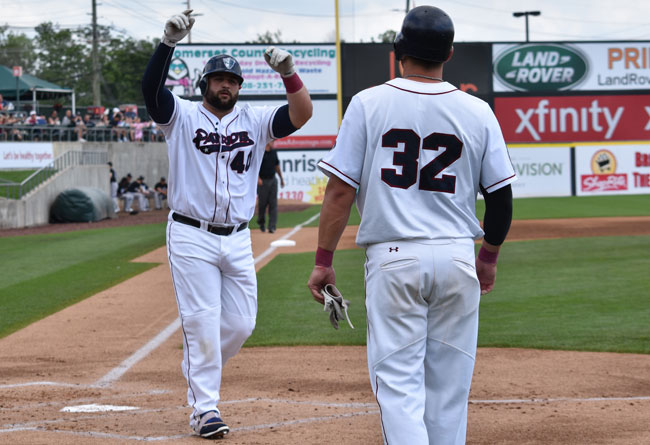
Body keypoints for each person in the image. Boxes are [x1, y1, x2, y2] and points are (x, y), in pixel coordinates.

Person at [307, 6, 516, 445]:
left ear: (397, 50)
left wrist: (323, 261)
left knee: (400, 389)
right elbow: (500, 197)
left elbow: (340, 194)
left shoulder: (368, 103)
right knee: (448, 392)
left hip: (394, 258)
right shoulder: (477, 111)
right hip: (459, 256)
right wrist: (489, 258)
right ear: (450, 53)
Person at [141, 9, 312, 439]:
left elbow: (303, 113)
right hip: (190, 234)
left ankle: (197, 363)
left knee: (240, 325)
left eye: (233, 80)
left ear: (239, 87)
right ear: (205, 84)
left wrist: (289, 72)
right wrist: (167, 43)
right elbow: (149, 92)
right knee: (201, 320)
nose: (226, 85)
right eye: (219, 79)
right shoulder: (180, 116)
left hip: (237, 238)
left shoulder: (254, 121)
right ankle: (205, 410)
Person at [256, 140, 284, 233]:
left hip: (273, 180)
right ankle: (261, 223)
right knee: (262, 204)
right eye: (272, 141)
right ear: (267, 141)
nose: (273, 143)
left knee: (273, 204)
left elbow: (277, 166)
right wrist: (258, 178)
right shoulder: (260, 152)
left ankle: (272, 226)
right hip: (262, 181)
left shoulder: (274, 152)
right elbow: (254, 167)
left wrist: (281, 179)